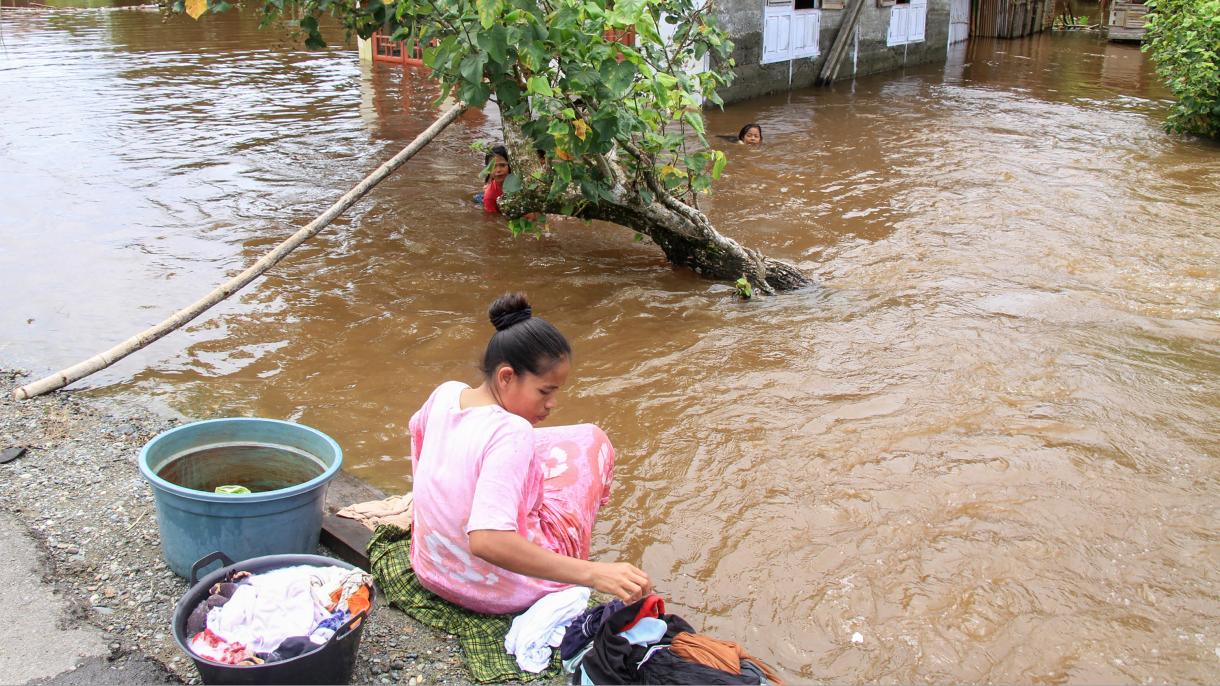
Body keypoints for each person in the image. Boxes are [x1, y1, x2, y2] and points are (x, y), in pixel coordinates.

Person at [407, 292, 653, 615]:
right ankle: (572, 551)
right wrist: (596, 573)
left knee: (568, 443)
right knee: (594, 441)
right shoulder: (512, 432)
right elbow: (486, 540)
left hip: (431, 568)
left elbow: (419, 441)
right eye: (545, 392)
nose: (552, 404)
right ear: (506, 377)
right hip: (493, 591)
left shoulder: (446, 394)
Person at [479, 145, 511, 214]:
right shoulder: (489, 196)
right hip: (486, 198)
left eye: (502, 165)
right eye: (493, 166)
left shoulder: (520, 182)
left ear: (510, 166)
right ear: (488, 170)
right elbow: (492, 220)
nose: (498, 170)